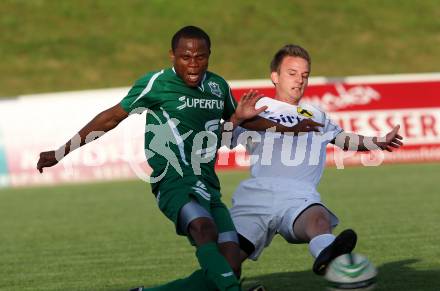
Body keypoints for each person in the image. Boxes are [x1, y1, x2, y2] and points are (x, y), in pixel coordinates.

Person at [36, 27, 320, 291]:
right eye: (185, 57)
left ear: (209, 56)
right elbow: (110, 118)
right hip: (172, 179)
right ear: (173, 56)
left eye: (200, 57)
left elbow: (247, 121)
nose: (193, 64)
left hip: (207, 183)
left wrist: (288, 127)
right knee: (203, 229)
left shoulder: (218, 87)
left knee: (230, 264)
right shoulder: (157, 83)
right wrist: (62, 151)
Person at [228, 44, 403, 285]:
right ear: (275, 76)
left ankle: (336, 267)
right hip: (257, 195)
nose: (299, 80)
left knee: (319, 221)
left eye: (305, 75)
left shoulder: (315, 114)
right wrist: (236, 119)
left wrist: (378, 142)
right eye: (292, 73)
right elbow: (223, 138)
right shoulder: (255, 108)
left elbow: (342, 138)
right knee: (228, 263)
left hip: (299, 196)